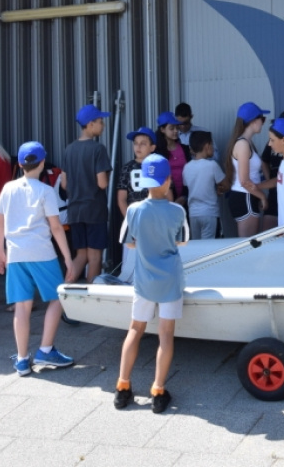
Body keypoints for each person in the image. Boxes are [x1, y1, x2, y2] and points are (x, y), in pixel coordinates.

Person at [0, 141, 77, 377]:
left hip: (15, 254)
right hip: (42, 253)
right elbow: (56, 227)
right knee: (57, 297)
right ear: (42, 163)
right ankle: (46, 349)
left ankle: (22, 360)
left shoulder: (8, 188)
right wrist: (68, 258)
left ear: (20, 164)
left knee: (22, 306)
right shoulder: (45, 191)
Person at [114, 154, 189, 414]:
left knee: (135, 329)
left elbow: (128, 242)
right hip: (170, 281)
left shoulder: (134, 210)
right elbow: (183, 241)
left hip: (144, 281)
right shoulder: (177, 211)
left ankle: (123, 387)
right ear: (168, 180)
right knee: (165, 335)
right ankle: (158, 391)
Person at [58, 104, 114, 283]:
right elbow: (102, 183)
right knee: (95, 256)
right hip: (94, 210)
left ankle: (63, 293)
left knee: (81, 255)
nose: (103, 125)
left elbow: (64, 184)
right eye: (100, 121)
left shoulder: (69, 149)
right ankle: (92, 295)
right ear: (90, 124)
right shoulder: (98, 149)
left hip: (75, 211)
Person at [223, 102, 269, 238]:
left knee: (249, 242)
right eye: (262, 119)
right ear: (253, 121)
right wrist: (262, 196)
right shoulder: (243, 144)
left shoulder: (246, 143)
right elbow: (244, 181)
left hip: (246, 195)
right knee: (248, 244)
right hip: (245, 196)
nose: (263, 123)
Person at [183, 131, 228, 240]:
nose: (213, 148)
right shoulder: (212, 165)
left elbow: (189, 186)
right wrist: (220, 189)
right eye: (212, 145)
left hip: (193, 214)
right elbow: (226, 184)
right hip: (210, 213)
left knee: (197, 245)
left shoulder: (187, 167)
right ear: (207, 146)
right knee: (211, 246)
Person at [117, 125, 161, 216]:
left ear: (152, 147)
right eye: (136, 143)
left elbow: (168, 196)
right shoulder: (127, 168)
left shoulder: (159, 167)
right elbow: (121, 199)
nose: (138, 146)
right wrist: (130, 219)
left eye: (143, 143)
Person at [155, 111, 192, 207]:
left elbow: (191, 172)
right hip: (165, 199)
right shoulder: (157, 152)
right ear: (162, 129)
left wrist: (185, 196)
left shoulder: (185, 149)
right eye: (172, 128)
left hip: (186, 197)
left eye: (177, 128)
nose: (176, 131)